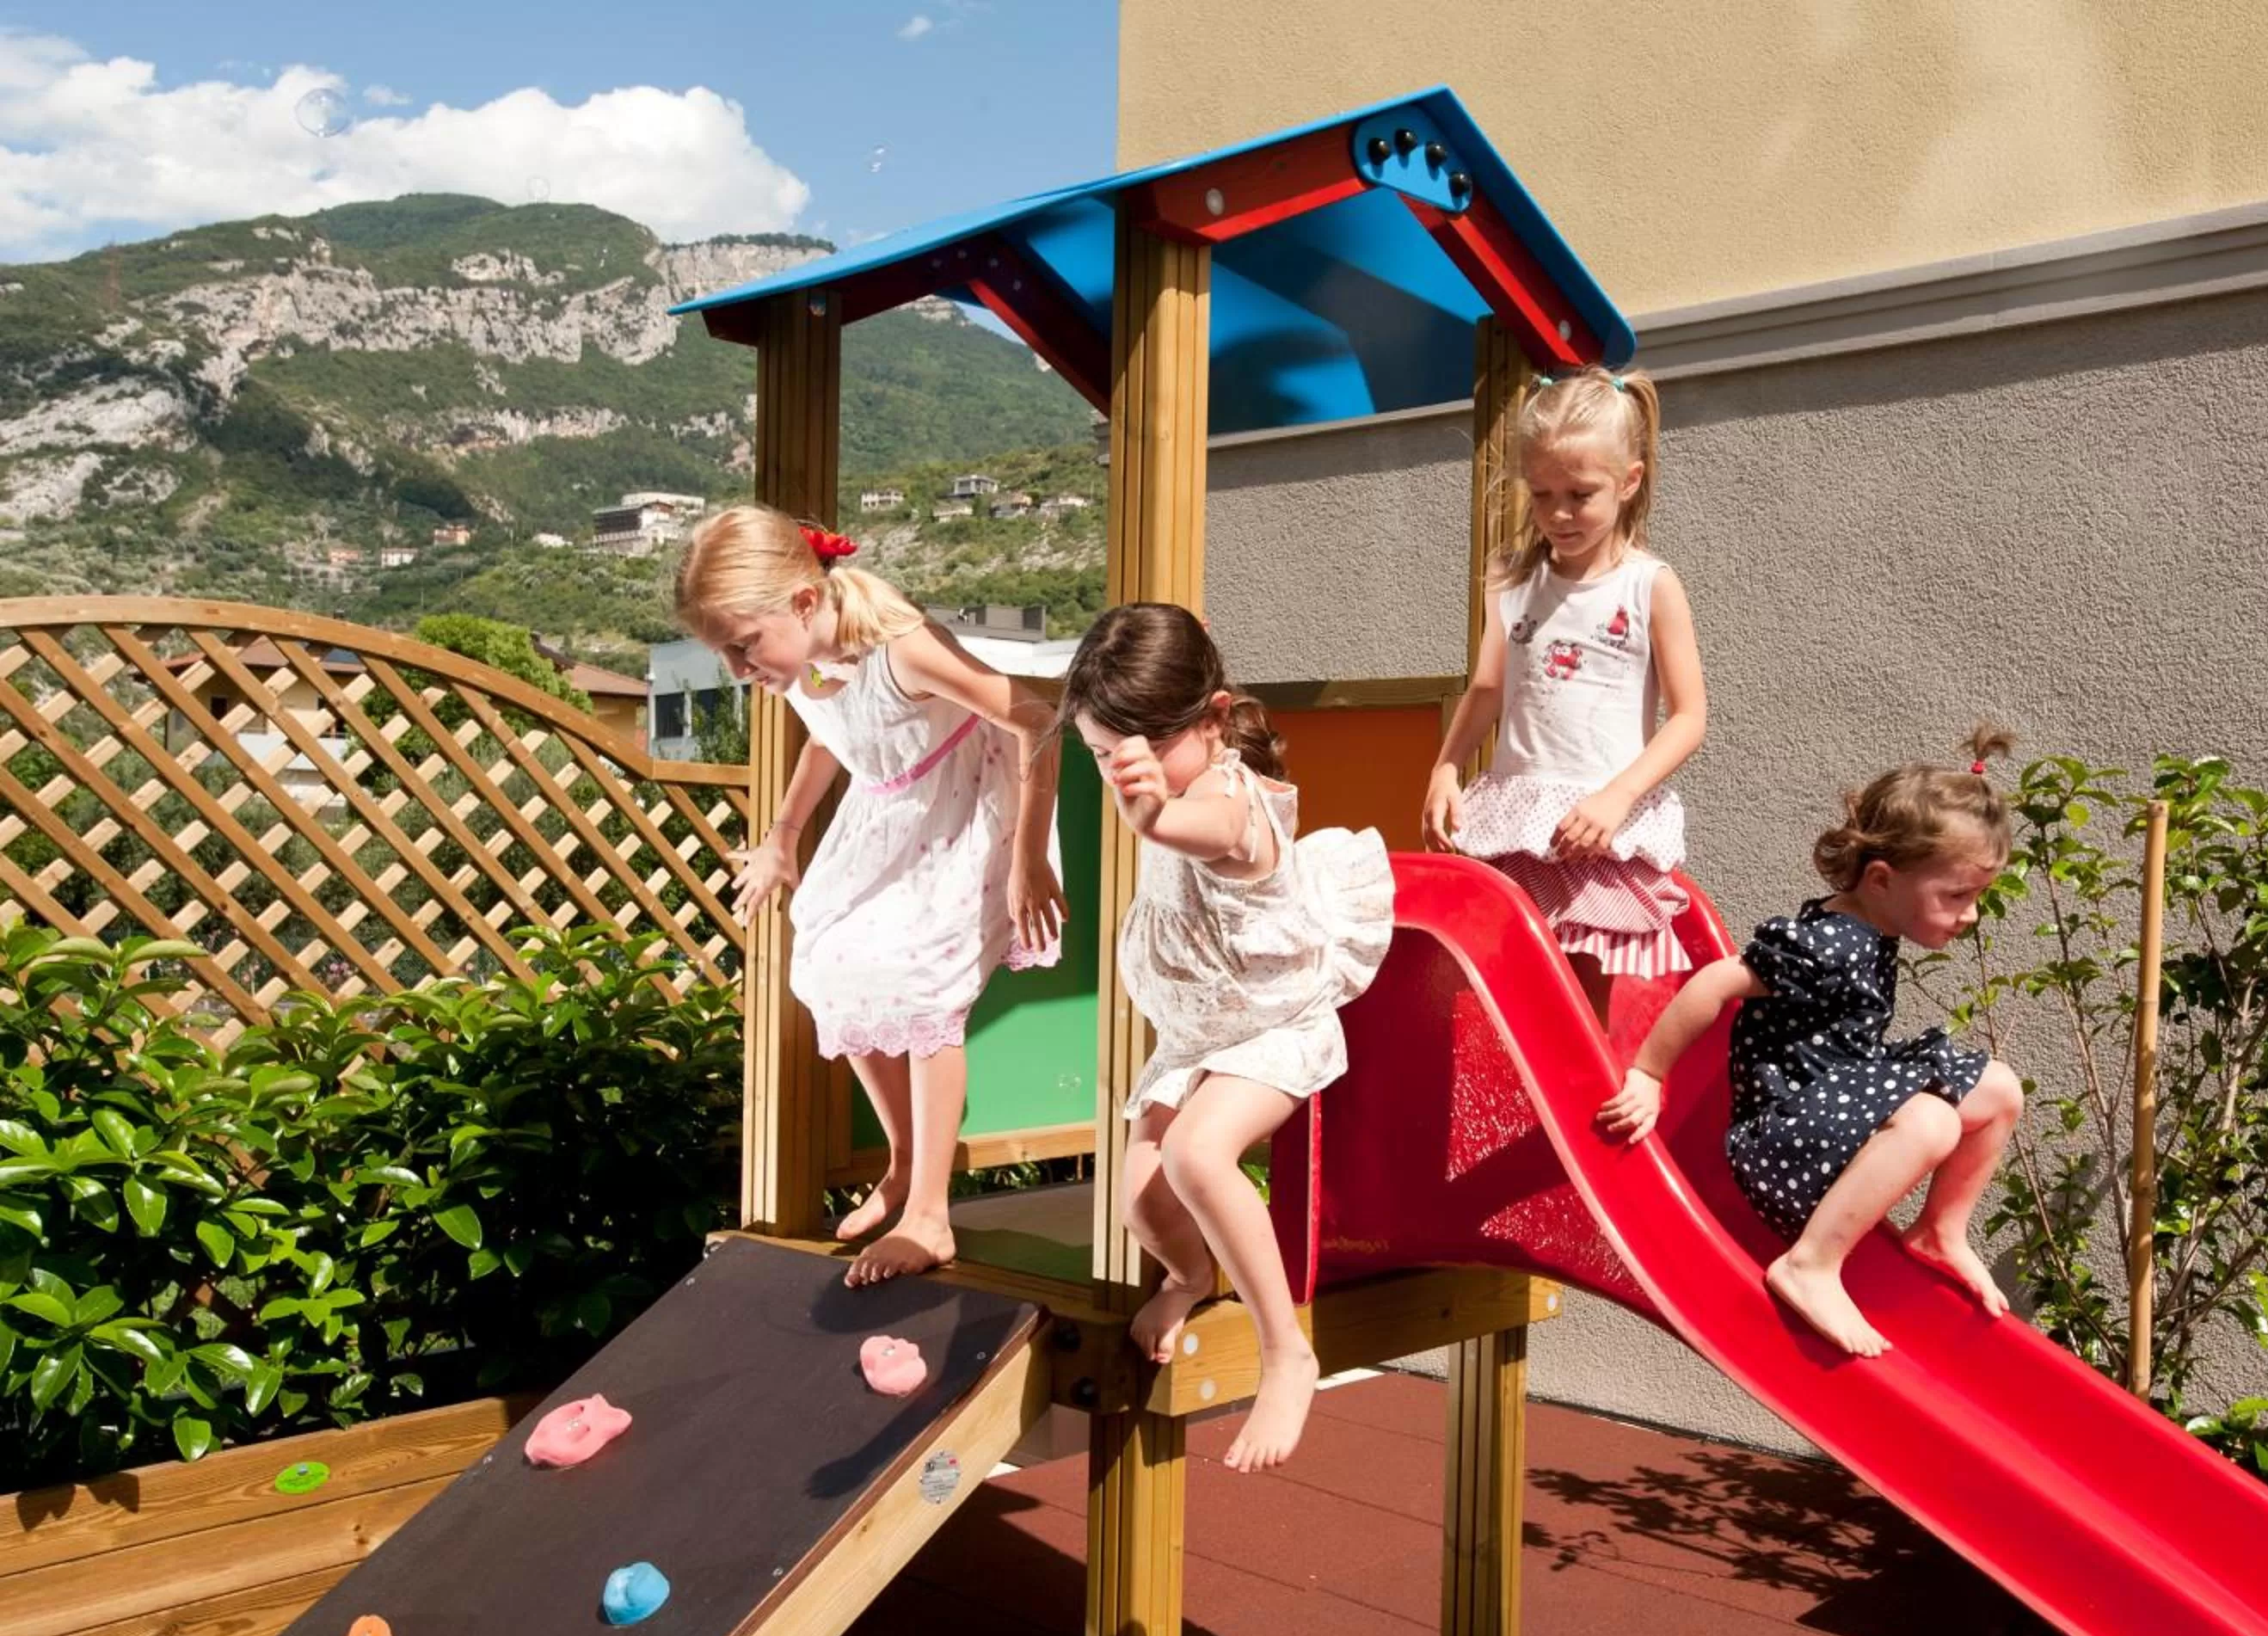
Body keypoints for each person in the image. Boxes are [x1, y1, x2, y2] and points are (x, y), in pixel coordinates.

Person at [673, 505, 1064, 1285]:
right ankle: (904, 1160)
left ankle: (930, 1214)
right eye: (726, 655)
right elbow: (830, 732)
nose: (741, 671)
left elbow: (1039, 721)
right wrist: (783, 836)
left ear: (803, 602)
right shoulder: (808, 662)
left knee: (921, 983)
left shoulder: (903, 652)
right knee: (824, 966)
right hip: (887, 809)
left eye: (744, 647)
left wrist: (1028, 855)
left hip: (971, 811)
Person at [1061, 603, 1393, 1471]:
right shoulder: (1175, 773)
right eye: (1102, 754)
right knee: (1141, 1196)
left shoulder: (1224, 798)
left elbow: (1195, 831)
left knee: (1200, 1155)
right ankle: (1188, 1276)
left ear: (1211, 721)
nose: (1121, 769)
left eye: (1140, 747)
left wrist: (1146, 807)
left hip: (1273, 1020)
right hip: (1199, 1030)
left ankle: (1288, 1349)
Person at [1599, 729, 2026, 1357]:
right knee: (1933, 1123)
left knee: (2001, 1088)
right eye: (1958, 895)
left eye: (1977, 896)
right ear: (1881, 879)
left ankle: (1940, 1229)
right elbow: (1715, 983)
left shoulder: (1871, 927)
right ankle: (1810, 1265)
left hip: (1830, 1102)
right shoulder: (1828, 944)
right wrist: (1649, 1075)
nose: (1971, 914)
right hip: (1781, 1140)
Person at [1423, 364, 1706, 1019]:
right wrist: (1444, 768)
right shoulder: (1513, 579)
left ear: (1628, 481)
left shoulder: (1648, 586)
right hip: (1514, 815)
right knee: (1499, 989)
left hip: (1595, 824)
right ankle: (1510, 1117)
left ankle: (1569, 1115)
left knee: (1581, 998)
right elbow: (1489, 687)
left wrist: (1618, 798)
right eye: (1542, 493)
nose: (1558, 513)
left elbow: (1690, 717)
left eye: (1580, 494)